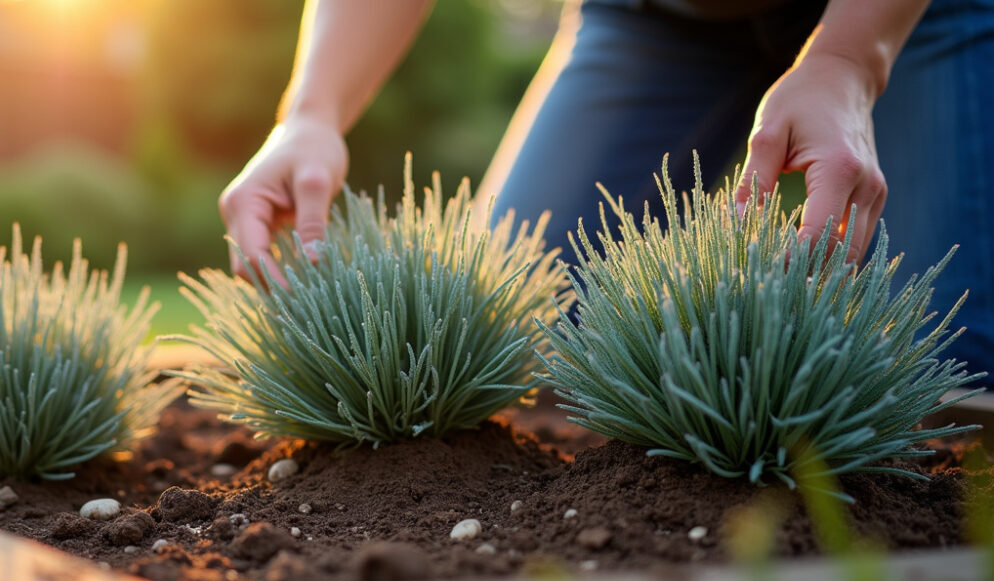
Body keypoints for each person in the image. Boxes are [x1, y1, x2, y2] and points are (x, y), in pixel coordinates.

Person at [217, 0, 993, 387]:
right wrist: (311, 111)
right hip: (659, 17)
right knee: (501, 332)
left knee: (938, 366)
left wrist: (852, 59)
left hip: (916, 15)